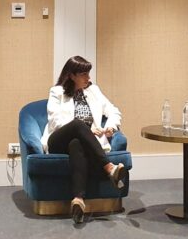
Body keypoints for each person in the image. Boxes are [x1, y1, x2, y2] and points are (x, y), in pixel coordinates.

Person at [42, 55, 128, 224]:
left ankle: (78, 199)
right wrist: (87, 129)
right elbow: (55, 121)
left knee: (77, 144)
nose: (88, 78)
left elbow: (113, 111)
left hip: (82, 142)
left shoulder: (93, 91)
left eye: (89, 73)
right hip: (58, 140)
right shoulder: (57, 92)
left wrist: (111, 126)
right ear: (72, 75)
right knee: (77, 125)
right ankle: (109, 168)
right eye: (84, 74)